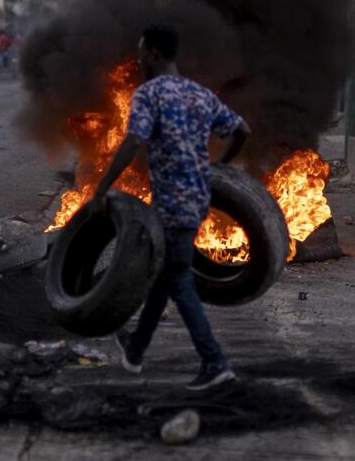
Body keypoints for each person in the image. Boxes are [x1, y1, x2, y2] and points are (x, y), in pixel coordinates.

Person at [92, 25, 251, 391]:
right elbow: (242, 129)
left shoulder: (149, 94)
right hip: (198, 199)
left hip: (171, 205)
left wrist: (103, 187)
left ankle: (215, 361)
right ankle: (135, 349)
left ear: (154, 54)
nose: (136, 58)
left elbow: (134, 141)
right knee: (165, 276)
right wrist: (221, 165)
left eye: (140, 50)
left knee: (178, 279)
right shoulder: (199, 95)